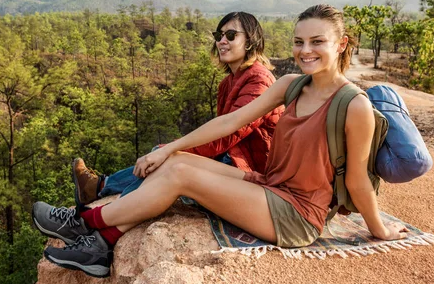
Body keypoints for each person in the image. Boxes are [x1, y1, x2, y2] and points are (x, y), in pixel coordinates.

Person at [32, 4, 409, 278]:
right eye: (298, 41)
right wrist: (173, 148)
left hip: (297, 215)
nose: (305, 50)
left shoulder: (353, 105)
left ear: (341, 44)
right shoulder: (290, 86)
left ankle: (84, 222)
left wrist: (379, 229)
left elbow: (358, 180)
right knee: (175, 164)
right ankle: (99, 248)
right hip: (270, 186)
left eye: (317, 41)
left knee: (182, 177)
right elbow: (229, 122)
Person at [69, 11, 282, 211]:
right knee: (162, 155)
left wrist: (169, 150)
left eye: (231, 35)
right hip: (234, 157)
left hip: (253, 169)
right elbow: (220, 136)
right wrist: (168, 150)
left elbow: (225, 135)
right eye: (219, 35)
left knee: (166, 159)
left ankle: (111, 209)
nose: (222, 41)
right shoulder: (228, 83)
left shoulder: (258, 81)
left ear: (250, 42)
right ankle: (100, 191)